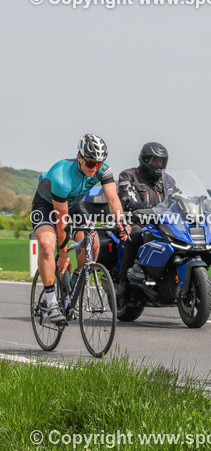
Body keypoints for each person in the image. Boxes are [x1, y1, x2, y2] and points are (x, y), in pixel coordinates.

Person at [32, 135, 129, 325]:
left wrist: (120, 221)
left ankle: (74, 284)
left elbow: (112, 199)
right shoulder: (61, 176)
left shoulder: (103, 169)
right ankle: (51, 302)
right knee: (46, 245)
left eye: (99, 164)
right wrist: (62, 254)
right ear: (79, 158)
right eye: (91, 163)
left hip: (74, 205)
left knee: (92, 244)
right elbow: (61, 222)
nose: (95, 168)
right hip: (46, 207)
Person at [115, 142, 177, 295]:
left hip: (162, 224)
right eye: (155, 161)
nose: (158, 164)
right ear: (144, 159)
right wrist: (144, 208)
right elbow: (126, 199)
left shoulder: (167, 180)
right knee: (135, 236)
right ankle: (122, 282)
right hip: (136, 222)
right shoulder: (128, 175)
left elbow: (177, 197)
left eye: (161, 161)